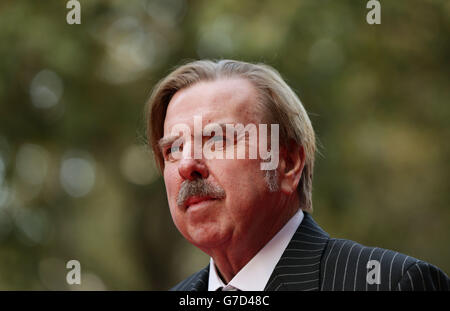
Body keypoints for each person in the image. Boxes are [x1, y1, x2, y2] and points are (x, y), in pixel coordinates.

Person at [145, 59, 449, 291]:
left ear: (287, 163)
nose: (187, 165)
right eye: (174, 147)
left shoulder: (392, 283)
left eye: (217, 139)